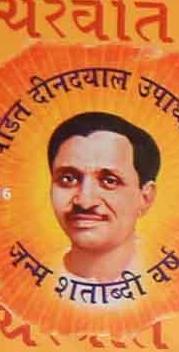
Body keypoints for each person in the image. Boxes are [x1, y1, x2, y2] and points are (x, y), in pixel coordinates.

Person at [48, 111, 162, 282]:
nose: (85, 201)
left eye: (109, 181)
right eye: (68, 179)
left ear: (145, 198)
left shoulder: (172, 284)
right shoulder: (31, 283)